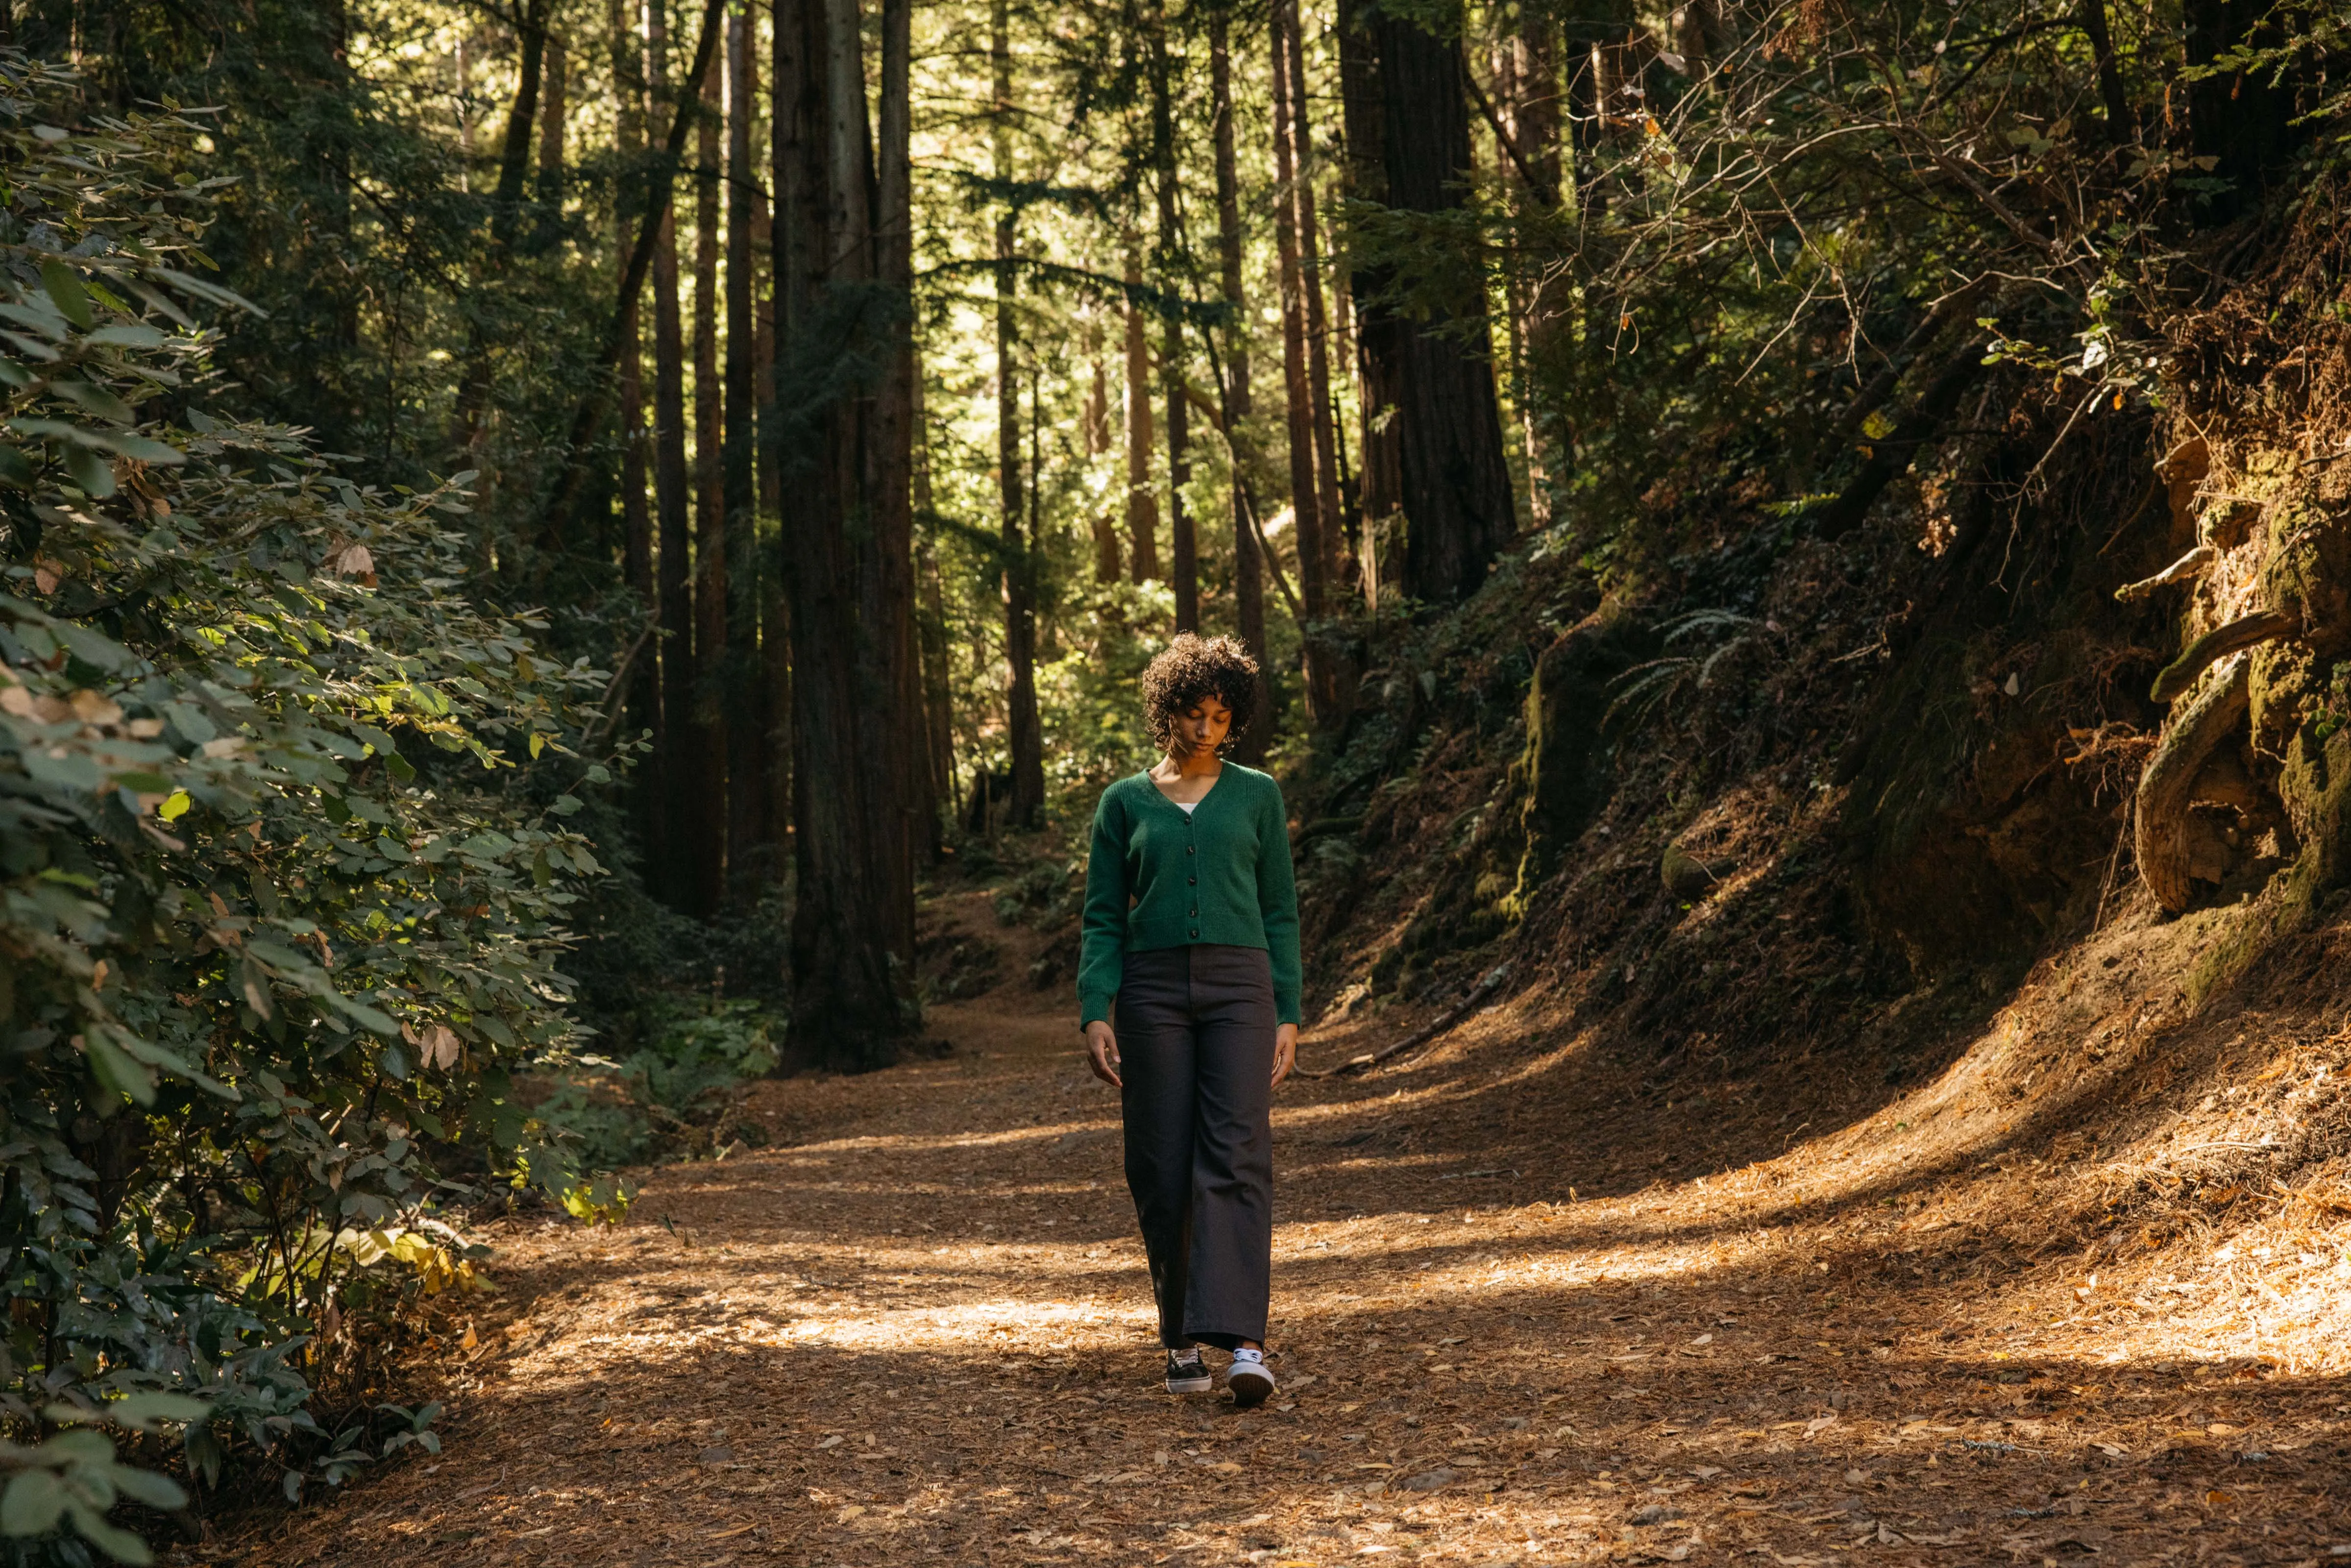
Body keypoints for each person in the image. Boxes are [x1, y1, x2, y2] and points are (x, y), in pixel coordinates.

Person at [1078, 633, 1302, 1408]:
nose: (1205, 729)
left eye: (1219, 716)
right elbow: (1103, 916)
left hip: (1241, 988)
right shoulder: (1124, 803)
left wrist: (1288, 1010)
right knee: (1160, 1161)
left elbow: (1279, 910)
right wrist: (1093, 1009)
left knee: (1238, 1152)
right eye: (1192, 713)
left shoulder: (1257, 795)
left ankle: (1246, 1342)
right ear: (1165, 710)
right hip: (1150, 993)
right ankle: (1178, 1337)